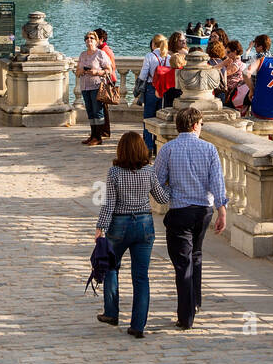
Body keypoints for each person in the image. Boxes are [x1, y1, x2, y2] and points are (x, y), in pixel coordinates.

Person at [154, 107, 228, 330]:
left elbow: (156, 181)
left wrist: (167, 198)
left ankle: (186, 315)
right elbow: (216, 182)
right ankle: (195, 302)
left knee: (183, 263)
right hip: (203, 210)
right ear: (195, 125)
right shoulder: (209, 149)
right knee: (195, 255)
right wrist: (221, 210)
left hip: (180, 210)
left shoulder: (168, 149)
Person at [94, 132, 170, 339]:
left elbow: (109, 203)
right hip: (144, 224)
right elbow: (162, 198)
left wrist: (100, 227)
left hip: (119, 223)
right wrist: (171, 183)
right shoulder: (149, 171)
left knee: (111, 267)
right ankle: (138, 325)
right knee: (141, 276)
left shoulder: (114, 173)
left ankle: (111, 312)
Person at [77, 31, 113, 146]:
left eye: (91, 38)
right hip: (85, 87)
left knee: (97, 111)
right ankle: (92, 135)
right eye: (87, 38)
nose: (89, 40)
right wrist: (81, 71)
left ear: (96, 40)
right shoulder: (82, 55)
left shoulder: (100, 54)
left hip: (97, 86)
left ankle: (98, 136)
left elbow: (109, 69)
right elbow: (77, 71)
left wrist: (97, 72)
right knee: (90, 111)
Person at [137, 34, 168, 155]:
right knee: (161, 118)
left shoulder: (150, 56)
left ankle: (148, 146)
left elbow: (143, 75)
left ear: (153, 44)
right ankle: (159, 145)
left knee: (148, 118)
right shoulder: (169, 57)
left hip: (151, 88)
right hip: (164, 91)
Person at [94, 28, 117, 139]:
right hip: (107, 80)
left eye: (95, 38)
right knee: (103, 107)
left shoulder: (104, 50)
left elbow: (112, 67)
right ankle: (103, 131)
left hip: (107, 81)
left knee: (103, 107)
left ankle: (105, 131)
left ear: (101, 39)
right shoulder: (104, 49)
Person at [219, 40, 249, 110]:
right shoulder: (240, 62)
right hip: (236, 90)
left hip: (230, 92)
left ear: (235, 52)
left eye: (228, 52)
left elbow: (223, 74)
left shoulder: (235, 64)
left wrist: (222, 64)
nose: (226, 54)